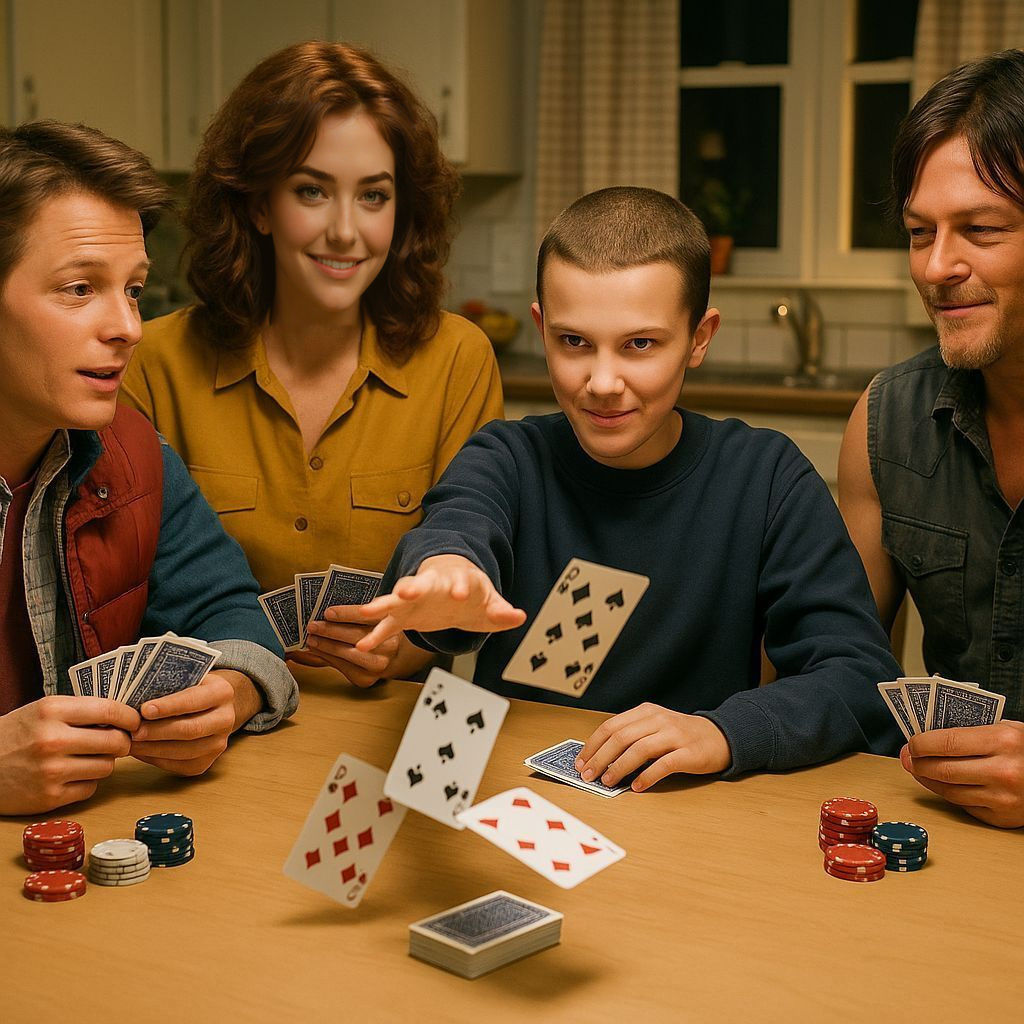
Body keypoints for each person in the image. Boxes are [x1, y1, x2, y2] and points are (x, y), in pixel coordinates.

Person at [352, 186, 902, 789]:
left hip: (681, 810)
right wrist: (447, 569)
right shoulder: (506, 456)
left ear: (700, 337)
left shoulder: (766, 477)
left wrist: (723, 732)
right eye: (574, 343)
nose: (603, 382)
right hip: (489, 779)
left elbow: (857, 678)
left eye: (640, 344)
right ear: (542, 329)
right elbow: (458, 524)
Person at [120, 41, 503, 690]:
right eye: (312, 191)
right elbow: (126, 599)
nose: (345, 231)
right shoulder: (151, 363)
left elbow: (463, 573)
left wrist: (400, 649)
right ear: (258, 204)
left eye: (374, 196)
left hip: (386, 729)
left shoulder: (458, 359)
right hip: (211, 728)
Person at [0, 121, 298, 816]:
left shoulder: (131, 451)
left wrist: (228, 694)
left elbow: (230, 613)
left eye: (132, 289)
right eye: (79, 289)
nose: (128, 327)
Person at [839, 49, 1024, 829]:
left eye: (980, 229)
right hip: (945, 849)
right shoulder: (885, 420)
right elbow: (835, 668)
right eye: (920, 233)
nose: (938, 267)